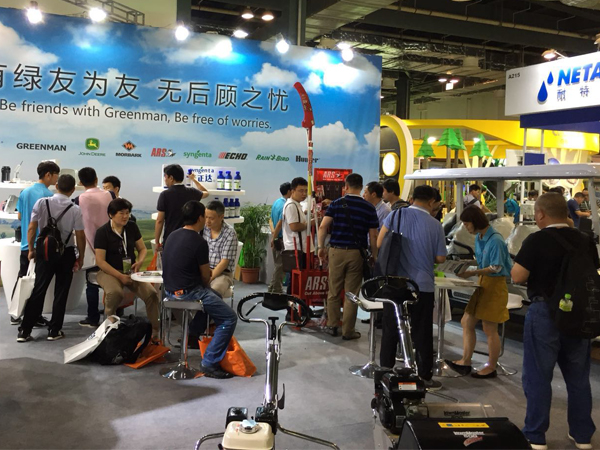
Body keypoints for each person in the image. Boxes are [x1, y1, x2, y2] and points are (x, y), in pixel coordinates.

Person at [511, 193, 597, 450]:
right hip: (579, 313)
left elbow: (517, 276)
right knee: (578, 377)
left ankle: (536, 435)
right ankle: (582, 436)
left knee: (538, 376)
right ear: (567, 213)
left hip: (545, 312)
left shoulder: (536, 239)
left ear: (540, 214)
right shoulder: (585, 240)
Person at [377, 185, 447, 390]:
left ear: (412, 198)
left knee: (391, 327)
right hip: (422, 285)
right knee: (422, 331)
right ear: (431, 202)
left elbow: (380, 243)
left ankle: (385, 372)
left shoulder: (396, 215)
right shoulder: (435, 225)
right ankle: (424, 376)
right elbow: (440, 258)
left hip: (395, 283)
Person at [162, 200, 237, 379]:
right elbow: (205, 277)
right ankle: (209, 362)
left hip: (169, 291)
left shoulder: (172, 235)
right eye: (205, 216)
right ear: (200, 218)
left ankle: (192, 333)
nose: (207, 220)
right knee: (229, 318)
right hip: (190, 292)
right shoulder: (198, 241)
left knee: (214, 294)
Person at [445, 206, 512, 378]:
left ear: (475, 222)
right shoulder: (480, 237)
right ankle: (465, 361)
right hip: (483, 283)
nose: (466, 227)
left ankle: (491, 367)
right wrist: (466, 264)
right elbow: (483, 261)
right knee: (467, 322)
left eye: (467, 224)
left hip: (495, 285)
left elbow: (496, 267)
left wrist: (471, 272)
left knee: (489, 328)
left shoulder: (495, 239)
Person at [17, 174, 85, 342]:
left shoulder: (42, 203)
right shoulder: (75, 209)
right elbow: (80, 235)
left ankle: (25, 331)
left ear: (56, 186)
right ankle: (54, 330)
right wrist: (81, 257)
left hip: (44, 251)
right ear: (72, 190)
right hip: (66, 253)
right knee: (61, 292)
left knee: (38, 290)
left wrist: (31, 249)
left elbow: (32, 228)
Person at [318, 173, 379, 340]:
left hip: (336, 251)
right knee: (352, 293)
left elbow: (323, 227)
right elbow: (373, 235)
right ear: (361, 187)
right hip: (356, 254)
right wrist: (374, 255)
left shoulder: (336, 203)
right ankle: (348, 331)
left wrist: (321, 247)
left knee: (334, 291)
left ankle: (332, 325)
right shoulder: (369, 207)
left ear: (346, 186)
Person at [94, 198, 160, 338]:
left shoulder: (132, 227)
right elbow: (100, 261)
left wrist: (140, 261)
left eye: (127, 213)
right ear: (111, 214)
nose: (125, 216)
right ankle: (110, 323)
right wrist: (120, 276)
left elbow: (142, 249)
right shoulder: (102, 232)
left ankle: (155, 331)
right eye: (121, 213)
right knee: (115, 292)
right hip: (108, 271)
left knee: (151, 294)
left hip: (131, 270)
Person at [13, 160, 60, 327]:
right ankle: (35, 316)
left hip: (26, 243)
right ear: (48, 175)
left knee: (22, 278)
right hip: (42, 245)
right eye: (56, 175)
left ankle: (15, 313)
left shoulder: (25, 192)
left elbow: (20, 216)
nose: (57, 179)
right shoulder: (49, 196)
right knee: (38, 284)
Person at [76, 167, 114, 328]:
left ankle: (92, 318)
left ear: (80, 182)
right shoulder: (110, 195)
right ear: (97, 179)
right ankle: (114, 315)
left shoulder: (79, 199)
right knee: (114, 280)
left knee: (91, 284)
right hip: (111, 243)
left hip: (91, 247)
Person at [154, 164, 208, 249]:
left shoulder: (165, 195)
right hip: (190, 239)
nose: (165, 179)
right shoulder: (192, 192)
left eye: (165, 176)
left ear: (171, 178)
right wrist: (194, 180)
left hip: (170, 239)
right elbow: (206, 193)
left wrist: (157, 241)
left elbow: (160, 221)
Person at [203, 200, 238, 297]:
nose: (207, 221)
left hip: (222, 273)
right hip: (204, 269)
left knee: (214, 292)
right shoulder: (204, 228)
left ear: (221, 217)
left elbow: (224, 263)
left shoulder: (230, 233)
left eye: (211, 218)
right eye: (206, 217)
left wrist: (209, 278)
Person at [282, 177, 309, 291]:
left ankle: (292, 301)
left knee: (296, 281)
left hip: (298, 248)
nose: (304, 194)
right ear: (292, 191)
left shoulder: (297, 204)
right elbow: (294, 226)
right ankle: (291, 302)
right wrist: (310, 224)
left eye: (306, 191)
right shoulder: (291, 205)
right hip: (296, 249)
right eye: (301, 190)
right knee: (294, 283)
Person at [268, 182, 291, 293]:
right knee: (280, 266)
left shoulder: (277, 202)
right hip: (281, 239)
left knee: (278, 266)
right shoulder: (285, 205)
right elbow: (280, 223)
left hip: (277, 238)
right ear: (289, 191)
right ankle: (276, 290)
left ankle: (272, 289)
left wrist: (273, 234)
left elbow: (270, 220)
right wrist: (274, 236)